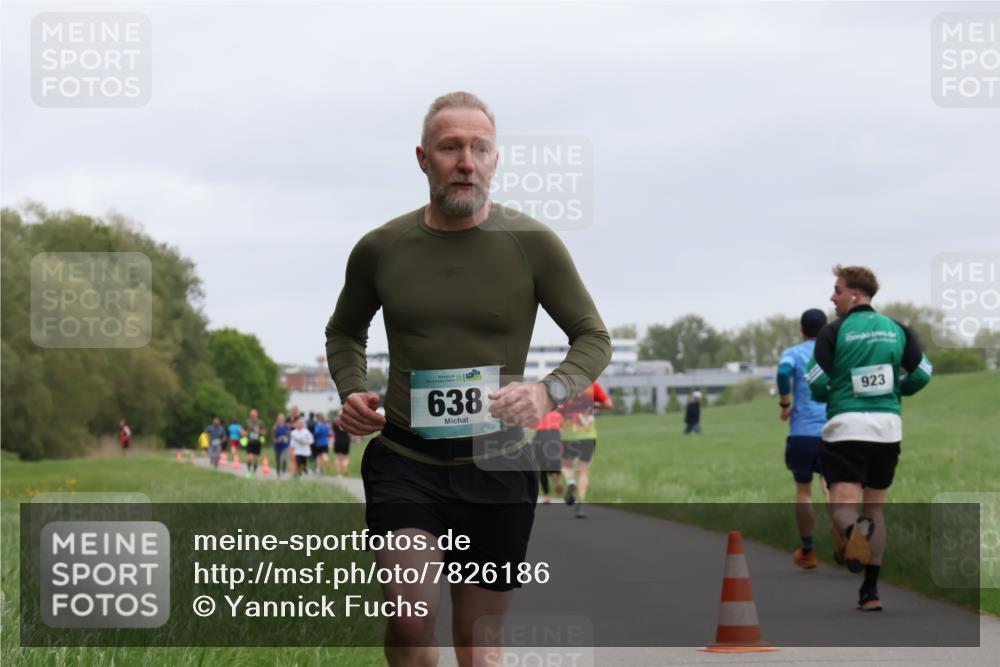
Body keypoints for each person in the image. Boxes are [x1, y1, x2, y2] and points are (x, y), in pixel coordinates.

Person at [324, 91, 611, 666]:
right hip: (408, 462)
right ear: (423, 158)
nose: (466, 161)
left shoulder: (532, 245)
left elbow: (593, 338)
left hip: (498, 464)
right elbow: (344, 332)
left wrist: (545, 390)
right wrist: (352, 389)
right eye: (451, 147)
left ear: (495, 160)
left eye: (480, 148)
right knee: (409, 621)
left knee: (478, 645)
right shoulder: (381, 249)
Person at [806, 265, 933, 611]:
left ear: (854, 295)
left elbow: (815, 381)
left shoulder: (834, 332)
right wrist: (897, 390)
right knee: (875, 509)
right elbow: (923, 373)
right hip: (887, 428)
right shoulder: (897, 329)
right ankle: (870, 592)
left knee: (842, 508)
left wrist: (835, 394)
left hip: (847, 428)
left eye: (837, 289)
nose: (832, 296)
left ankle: (853, 533)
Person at [777, 308, 831, 569]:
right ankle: (845, 539)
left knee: (803, 492)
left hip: (802, 434)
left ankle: (808, 551)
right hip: (834, 431)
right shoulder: (835, 352)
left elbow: (782, 373)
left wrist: (784, 403)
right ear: (826, 329)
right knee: (832, 488)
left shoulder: (794, 354)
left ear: (801, 329)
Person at [559, 382, 613, 518]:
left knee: (566, 465)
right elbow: (609, 405)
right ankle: (580, 504)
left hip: (569, 434)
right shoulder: (593, 386)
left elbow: (557, 408)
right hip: (588, 434)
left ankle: (571, 482)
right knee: (583, 471)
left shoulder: (563, 387)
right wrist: (594, 405)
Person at [531, 410, 563, 503]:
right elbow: (562, 425)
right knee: (554, 460)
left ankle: (547, 495)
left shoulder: (537, 410)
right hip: (554, 435)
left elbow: (532, 424)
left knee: (541, 466)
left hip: (540, 436)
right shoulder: (558, 411)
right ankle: (555, 475)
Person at [245, 408, 265, 476]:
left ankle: (254, 471)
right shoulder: (247, 421)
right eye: (251, 414)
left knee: (256, 459)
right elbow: (244, 430)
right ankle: (248, 471)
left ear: (257, 415)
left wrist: (258, 431)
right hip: (250, 442)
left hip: (257, 442)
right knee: (249, 457)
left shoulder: (260, 422)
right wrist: (243, 433)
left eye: (254, 414)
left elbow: (264, 432)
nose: (252, 415)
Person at [272, 413, 291, 478]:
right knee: (278, 460)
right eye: (279, 418)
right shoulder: (275, 427)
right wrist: (278, 440)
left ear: (284, 419)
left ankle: (284, 472)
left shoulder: (287, 426)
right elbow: (273, 439)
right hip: (277, 446)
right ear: (277, 419)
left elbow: (289, 436)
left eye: (282, 418)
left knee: (284, 459)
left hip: (285, 446)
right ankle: (278, 474)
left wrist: (286, 436)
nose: (281, 419)